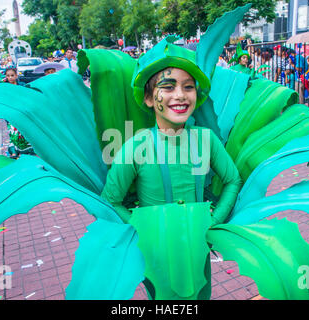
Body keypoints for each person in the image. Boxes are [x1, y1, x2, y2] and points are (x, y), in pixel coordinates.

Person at [100, 39, 242, 299]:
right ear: (148, 98)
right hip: (156, 256)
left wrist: (213, 221)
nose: (180, 95)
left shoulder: (206, 139)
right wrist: (144, 229)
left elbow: (233, 179)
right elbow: (110, 200)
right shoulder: (135, 147)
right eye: (168, 86)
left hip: (198, 249)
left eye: (188, 87)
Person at [3, 67, 35, 158]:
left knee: (24, 132)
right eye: (8, 76)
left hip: (22, 113)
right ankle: (14, 152)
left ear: (16, 76)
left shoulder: (22, 86)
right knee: (14, 133)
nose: (10, 77)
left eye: (12, 75)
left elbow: (28, 98)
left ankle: (28, 150)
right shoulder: (4, 87)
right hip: (10, 114)